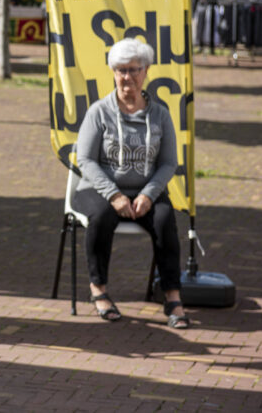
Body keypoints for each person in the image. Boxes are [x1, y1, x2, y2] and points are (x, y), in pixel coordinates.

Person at [74, 38, 190, 329]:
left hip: (145, 192)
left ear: (146, 71)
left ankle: (172, 297)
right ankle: (98, 290)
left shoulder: (160, 115)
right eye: (121, 70)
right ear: (113, 73)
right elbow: (85, 160)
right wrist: (113, 195)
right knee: (101, 217)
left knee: (165, 219)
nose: (127, 77)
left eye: (133, 70)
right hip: (100, 190)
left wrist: (149, 195)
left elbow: (168, 163)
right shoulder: (98, 112)